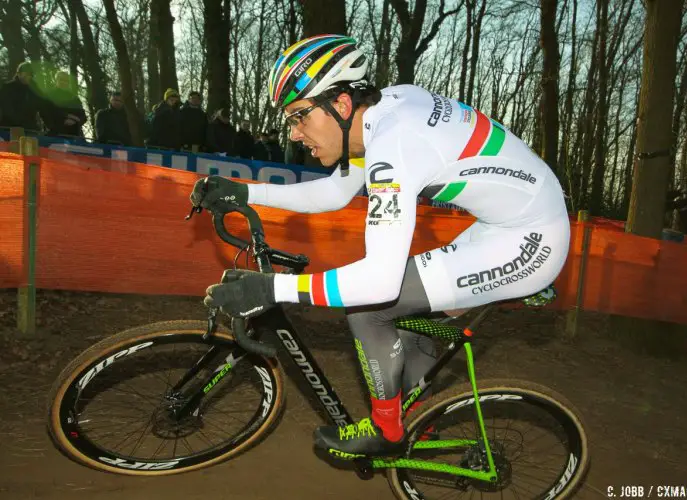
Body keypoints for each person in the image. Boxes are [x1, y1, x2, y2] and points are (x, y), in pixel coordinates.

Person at [189, 35, 570, 457]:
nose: (295, 133)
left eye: (300, 116)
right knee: (410, 316)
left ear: (342, 104)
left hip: (529, 240)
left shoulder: (394, 146)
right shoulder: (381, 116)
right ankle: (421, 423)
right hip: (507, 226)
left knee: (370, 309)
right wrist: (246, 194)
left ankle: (387, 430)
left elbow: (377, 283)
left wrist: (270, 289)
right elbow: (334, 194)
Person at [0, 61, 44, 132]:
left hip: (30, 129)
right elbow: (7, 108)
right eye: (26, 73)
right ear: (18, 73)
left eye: (31, 74)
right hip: (9, 128)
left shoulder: (34, 89)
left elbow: (42, 106)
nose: (29, 76)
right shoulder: (7, 88)